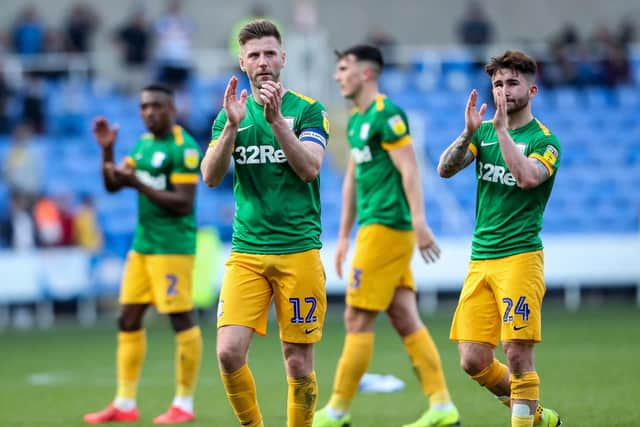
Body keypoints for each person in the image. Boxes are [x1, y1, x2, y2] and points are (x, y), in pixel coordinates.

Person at [313, 45, 460, 427]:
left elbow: (410, 168)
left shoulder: (387, 114)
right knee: (405, 317)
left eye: (343, 68)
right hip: (372, 229)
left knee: (356, 317)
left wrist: (420, 222)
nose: (336, 75)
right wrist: (344, 236)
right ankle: (442, 407)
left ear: (366, 73)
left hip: (387, 228)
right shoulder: (358, 119)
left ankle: (338, 410)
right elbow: (351, 181)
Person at [201, 19, 329, 427]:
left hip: (298, 251)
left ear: (283, 58)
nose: (263, 62)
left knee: (297, 361)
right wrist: (233, 128)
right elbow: (210, 175)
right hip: (248, 252)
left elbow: (309, 168)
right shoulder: (230, 116)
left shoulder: (308, 110)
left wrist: (276, 122)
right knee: (227, 352)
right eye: (254, 55)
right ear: (242, 62)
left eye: (270, 53)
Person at [438, 50, 562, 427]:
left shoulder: (545, 141)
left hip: (520, 258)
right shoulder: (485, 134)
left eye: (512, 83)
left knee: (516, 353)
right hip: (481, 259)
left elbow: (527, 177)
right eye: (497, 84)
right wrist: (468, 133)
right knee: (472, 359)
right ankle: (538, 416)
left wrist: (504, 131)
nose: (503, 90)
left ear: (532, 89)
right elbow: (445, 168)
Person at [83, 84, 203, 425]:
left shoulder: (185, 148)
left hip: (173, 247)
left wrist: (139, 184)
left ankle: (184, 403)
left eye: (156, 106)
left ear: (172, 109)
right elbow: (113, 185)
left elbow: (183, 203)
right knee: (128, 319)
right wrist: (107, 152)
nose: (149, 112)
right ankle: (124, 404)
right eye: (144, 107)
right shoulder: (142, 144)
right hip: (143, 245)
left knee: (180, 320)